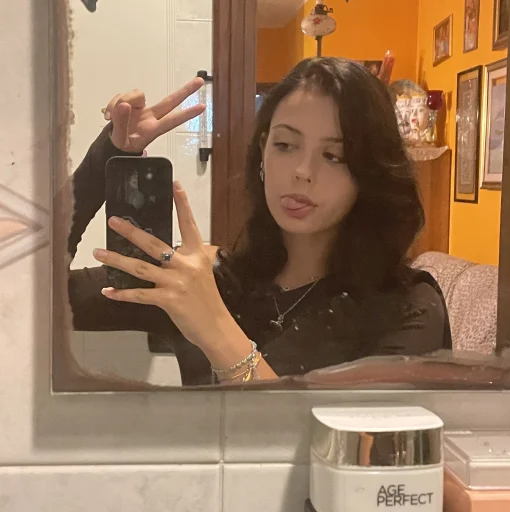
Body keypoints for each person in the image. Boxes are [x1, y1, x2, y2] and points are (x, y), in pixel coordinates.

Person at [69, 57, 452, 386]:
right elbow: (39, 292)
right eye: (285, 145)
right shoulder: (208, 280)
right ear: (263, 155)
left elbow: (360, 446)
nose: (302, 171)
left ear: (369, 174)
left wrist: (215, 328)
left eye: (334, 156)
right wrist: (106, 158)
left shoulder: (408, 307)